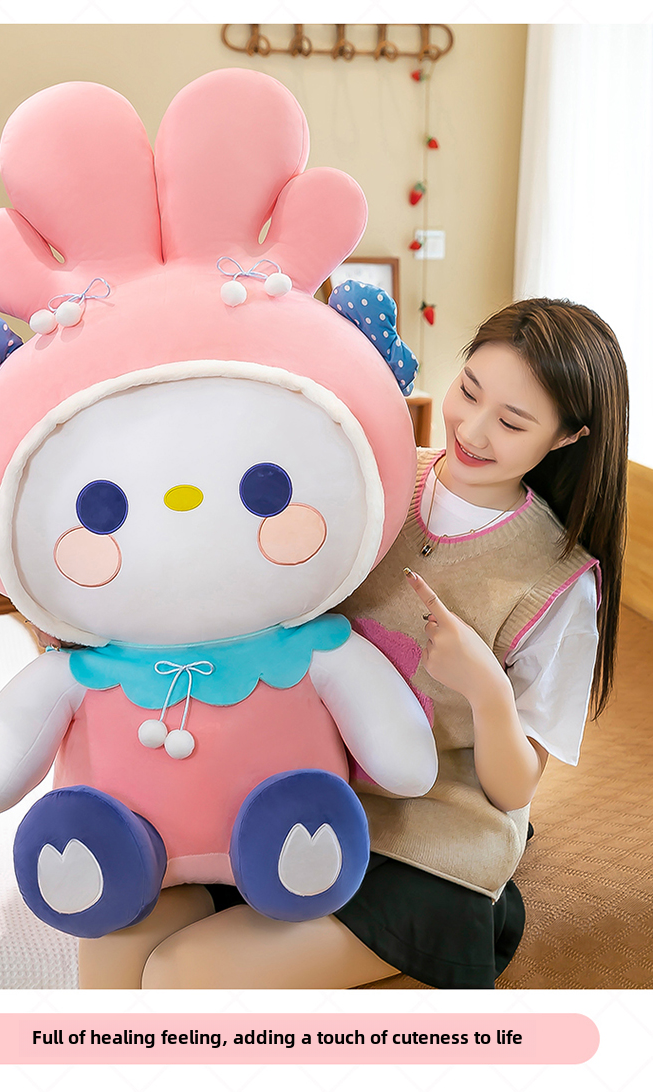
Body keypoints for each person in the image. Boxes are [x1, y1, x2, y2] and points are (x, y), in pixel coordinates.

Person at [77, 297, 629, 990]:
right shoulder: (372, 480)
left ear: (569, 437)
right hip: (279, 794)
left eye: (512, 422)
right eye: (469, 391)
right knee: (111, 940)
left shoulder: (558, 579)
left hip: (426, 847)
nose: (473, 430)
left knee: (180, 976)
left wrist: (485, 687)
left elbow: (515, 787)